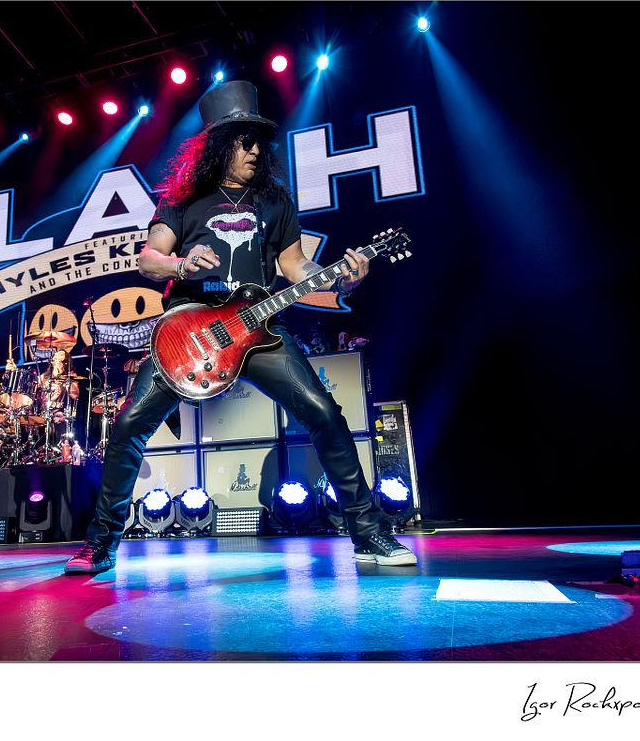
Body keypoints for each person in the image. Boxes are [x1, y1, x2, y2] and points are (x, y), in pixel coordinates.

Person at [65, 81, 416, 573]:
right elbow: (149, 259)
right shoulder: (184, 201)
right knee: (128, 426)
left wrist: (343, 279)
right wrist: (184, 265)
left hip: (259, 332)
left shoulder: (274, 201)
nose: (254, 150)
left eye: (258, 141)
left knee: (324, 413)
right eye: (242, 141)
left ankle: (369, 532)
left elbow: (297, 269)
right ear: (216, 146)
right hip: (189, 334)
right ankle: (101, 544)